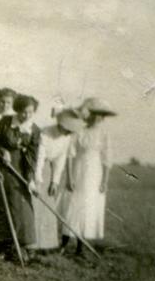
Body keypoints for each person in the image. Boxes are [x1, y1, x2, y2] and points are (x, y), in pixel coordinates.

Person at [59, 97, 115, 253]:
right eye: (95, 114)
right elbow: (70, 154)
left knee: (87, 207)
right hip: (78, 170)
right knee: (72, 204)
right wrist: (69, 177)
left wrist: (104, 181)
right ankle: (63, 243)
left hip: (94, 174)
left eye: (101, 115)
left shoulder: (104, 134)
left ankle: (80, 247)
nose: (98, 118)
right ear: (89, 114)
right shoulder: (78, 130)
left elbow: (107, 159)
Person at [0, 94, 41, 256]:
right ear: (17, 110)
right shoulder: (5, 122)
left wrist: (30, 179)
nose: (26, 116)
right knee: (4, 205)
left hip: (22, 168)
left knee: (23, 206)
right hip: (4, 167)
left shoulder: (34, 129)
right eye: (23, 112)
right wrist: (2, 151)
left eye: (30, 112)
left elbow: (33, 155)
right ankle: (4, 245)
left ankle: (24, 245)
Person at [32, 109, 84, 250]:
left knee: (48, 206)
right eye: (66, 129)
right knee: (35, 205)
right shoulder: (46, 132)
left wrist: (55, 181)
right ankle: (33, 243)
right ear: (61, 125)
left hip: (50, 170)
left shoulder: (66, 138)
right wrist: (38, 178)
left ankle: (46, 244)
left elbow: (60, 160)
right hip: (36, 167)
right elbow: (40, 156)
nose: (68, 133)